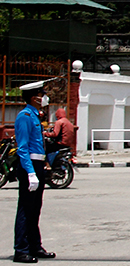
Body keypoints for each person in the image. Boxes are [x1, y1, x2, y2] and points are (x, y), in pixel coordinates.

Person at [13, 80, 56, 263]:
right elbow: (22, 148)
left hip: (37, 164)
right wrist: (30, 173)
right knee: (25, 208)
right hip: (28, 165)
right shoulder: (24, 116)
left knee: (35, 208)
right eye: (42, 94)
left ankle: (34, 246)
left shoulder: (35, 115)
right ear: (34, 98)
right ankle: (21, 250)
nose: (45, 97)